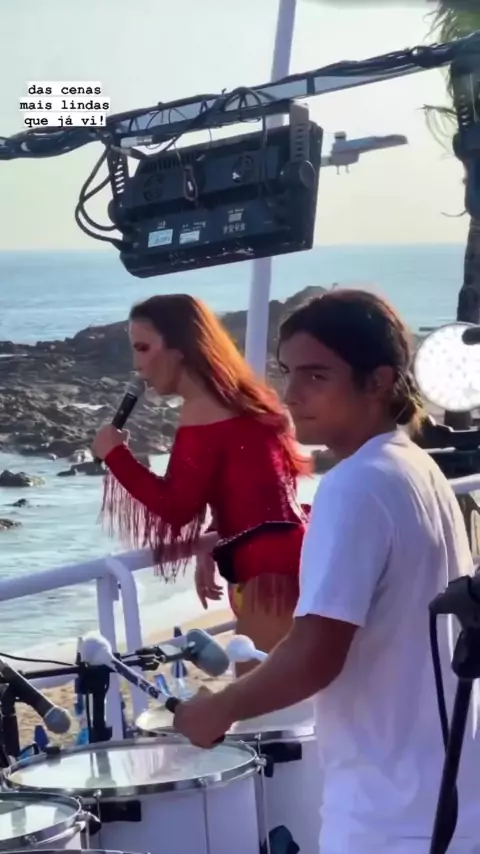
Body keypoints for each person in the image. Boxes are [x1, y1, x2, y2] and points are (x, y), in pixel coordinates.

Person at [172, 289, 480, 854]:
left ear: (379, 381)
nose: (292, 394)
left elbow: (315, 653)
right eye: (288, 372)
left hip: (393, 821)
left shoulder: (354, 485)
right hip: (448, 797)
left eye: (316, 375)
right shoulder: (415, 466)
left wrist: (219, 709)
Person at [91, 293, 310, 670]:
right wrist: (213, 540)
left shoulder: (201, 411)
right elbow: (251, 485)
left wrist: (116, 456)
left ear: (179, 349)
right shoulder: (246, 398)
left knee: (262, 699)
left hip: (267, 579)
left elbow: (175, 507)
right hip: (286, 562)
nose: (137, 365)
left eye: (143, 348)